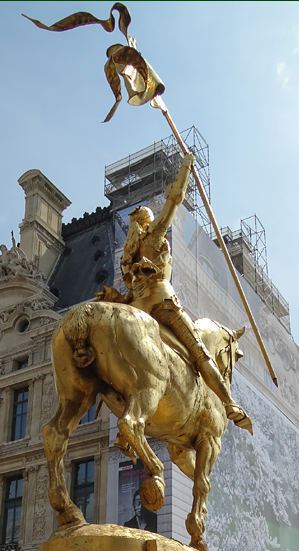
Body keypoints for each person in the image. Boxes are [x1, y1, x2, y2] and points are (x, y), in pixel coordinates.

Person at [115, 152, 252, 434]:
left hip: (137, 306)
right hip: (161, 303)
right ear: (148, 222)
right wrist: (186, 168)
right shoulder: (154, 237)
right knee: (201, 353)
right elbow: (174, 199)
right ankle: (229, 404)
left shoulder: (128, 253)